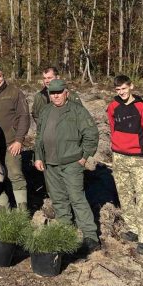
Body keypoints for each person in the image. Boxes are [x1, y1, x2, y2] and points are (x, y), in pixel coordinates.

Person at [34, 79, 101, 252]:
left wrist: (84, 157)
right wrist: (38, 157)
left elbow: (91, 134)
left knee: (77, 198)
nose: (56, 96)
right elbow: (39, 137)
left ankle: (90, 236)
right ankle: (66, 230)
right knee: (58, 199)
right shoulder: (46, 110)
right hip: (50, 164)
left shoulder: (77, 111)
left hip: (72, 163)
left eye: (59, 92)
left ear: (66, 93)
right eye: (53, 93)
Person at [107, 74, 143, 256]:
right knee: (125, 194)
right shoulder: (113, 106)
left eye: (124, 89)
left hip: (137, 158)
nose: (121, 93)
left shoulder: (141, 108)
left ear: (131, 87)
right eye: (118, 90)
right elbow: (112, 126)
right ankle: (133, 228)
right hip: (118, 157)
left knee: (142, 198)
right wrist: (117, 145)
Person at [0, 67, 30, 210]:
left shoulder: (15, 93)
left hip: (11, 143)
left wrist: (19, 140)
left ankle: (23, 211)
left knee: (15, 174)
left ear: (3, 76)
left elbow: (24, 116)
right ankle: (4, 207)